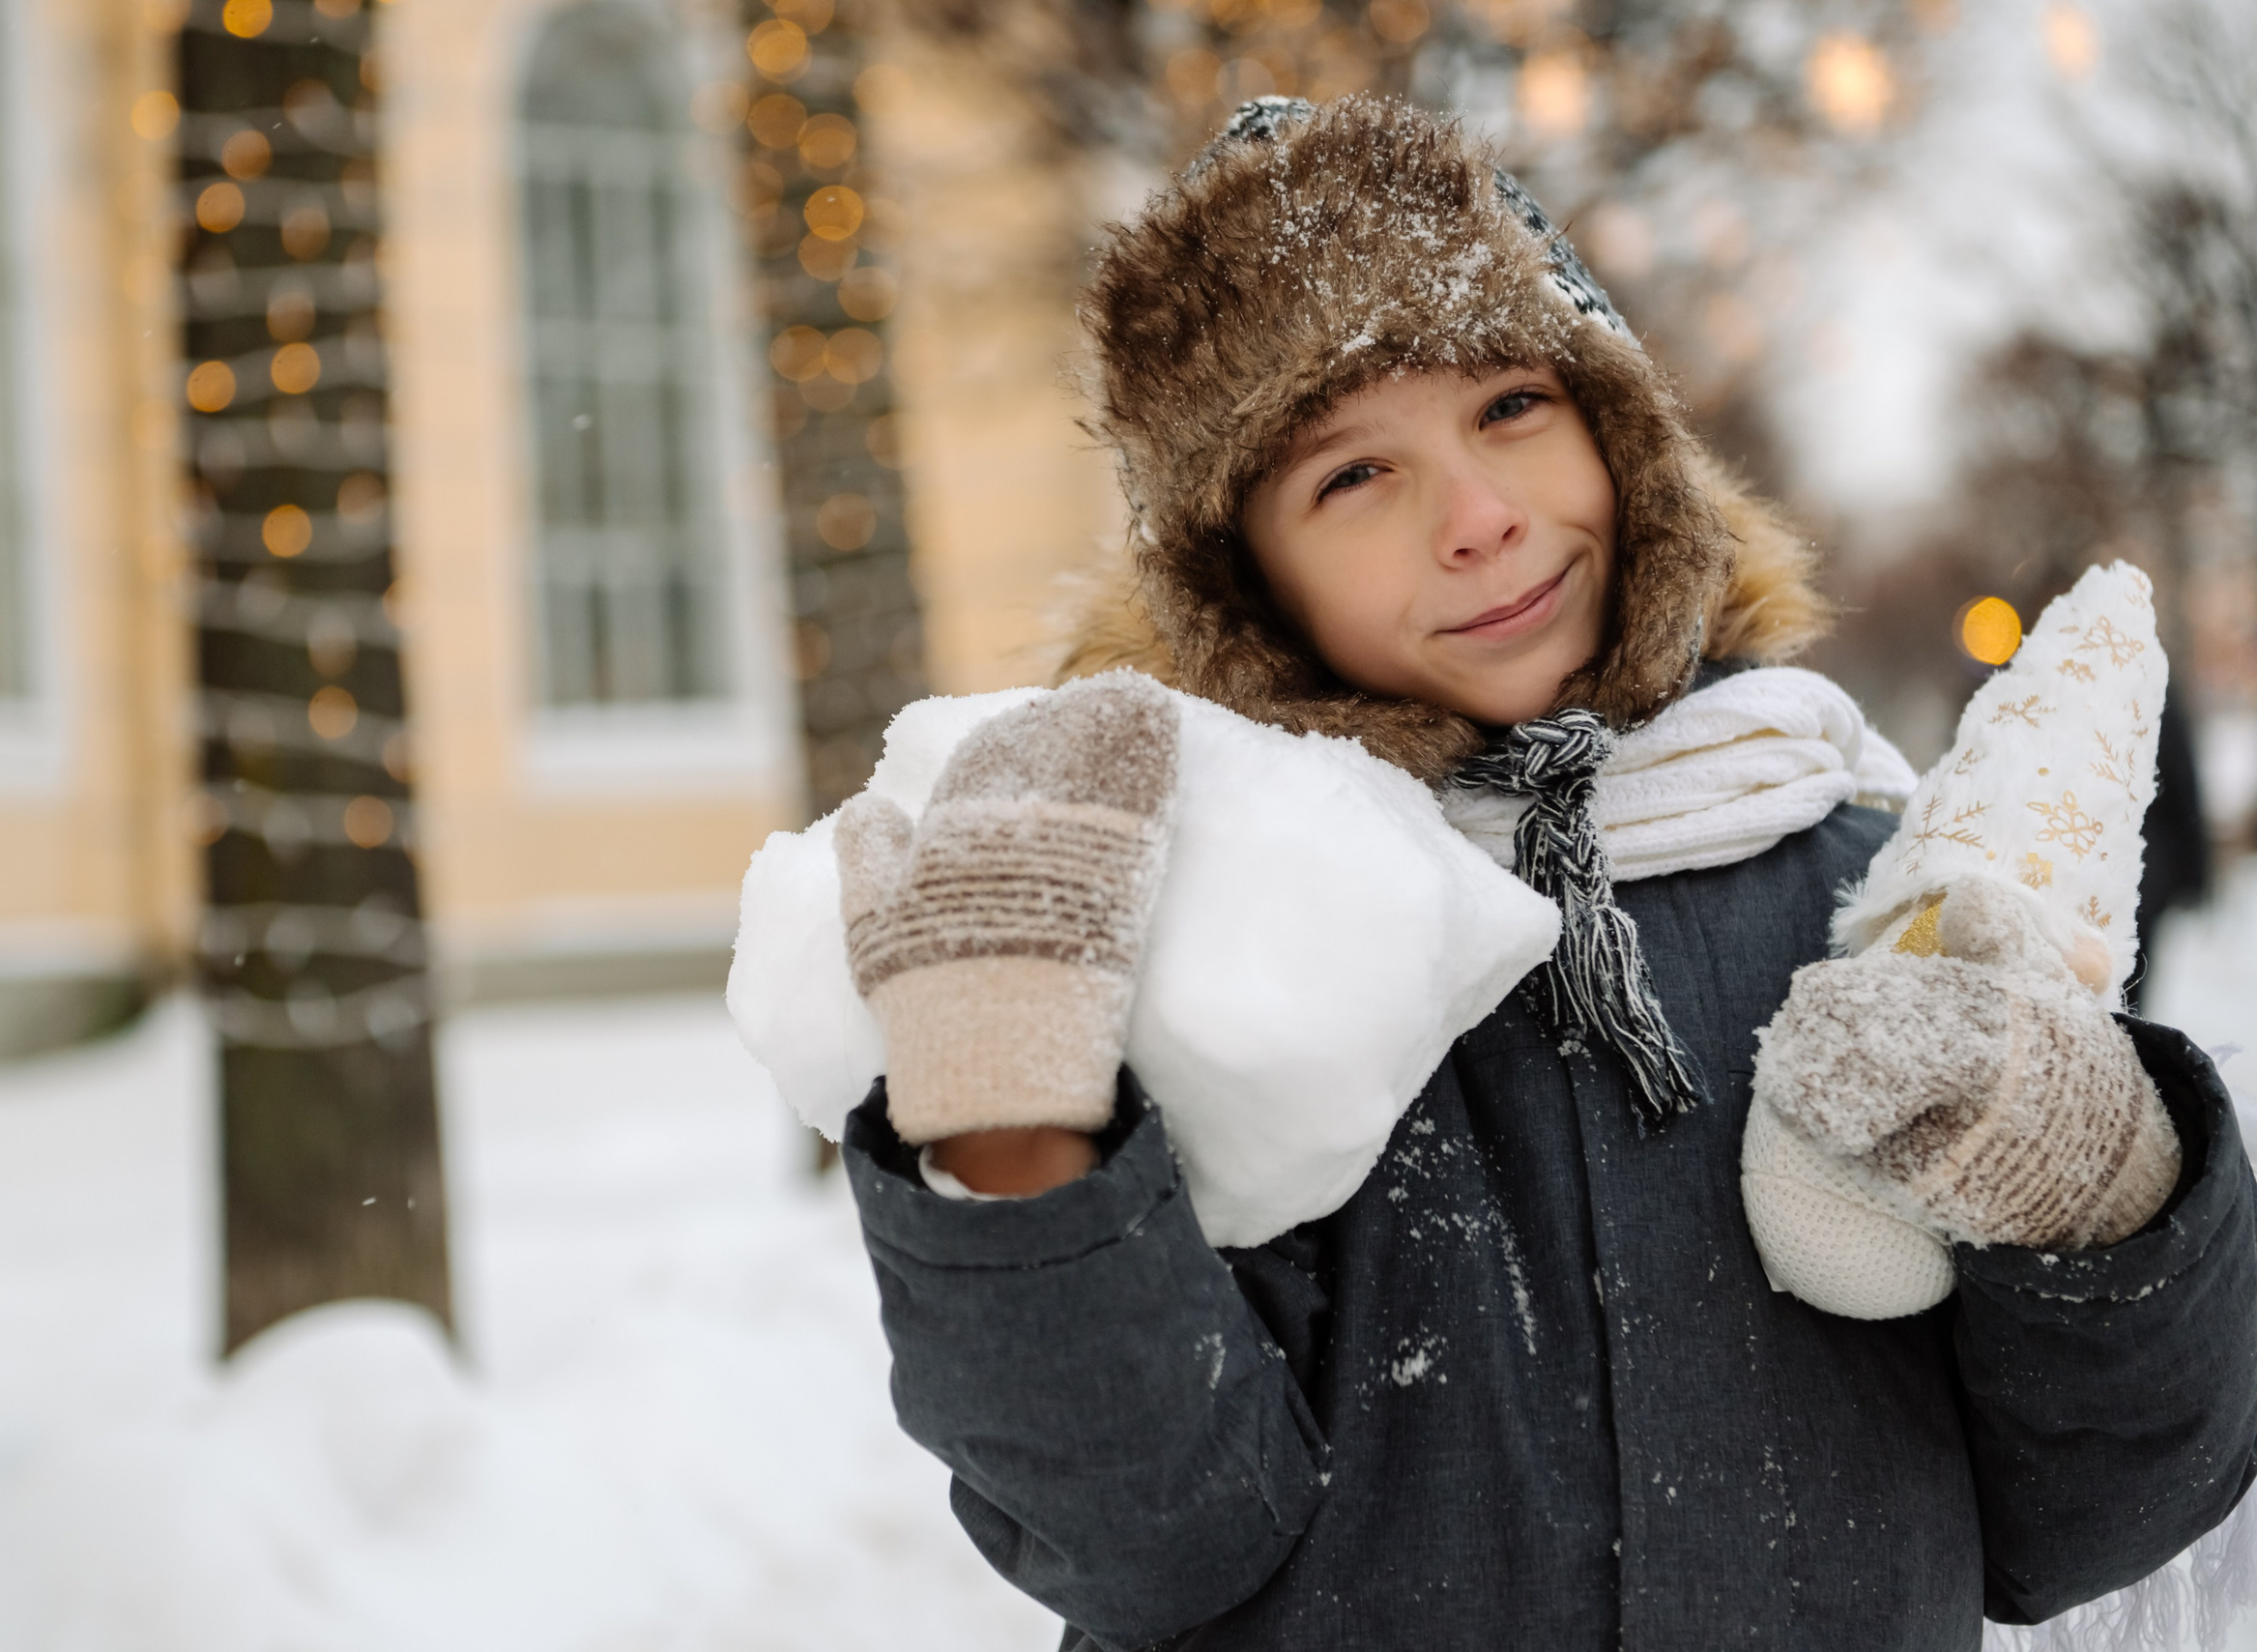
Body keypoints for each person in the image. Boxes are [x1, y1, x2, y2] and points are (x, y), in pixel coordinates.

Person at [833, 97, 2257, 1651]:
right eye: (1351, 477)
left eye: (1511, 403)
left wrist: (2100, 1188)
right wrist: (1017, 1131)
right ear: (1245, 582)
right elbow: (1147, 1540)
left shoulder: (1863, 880)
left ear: (1618, 424)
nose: (1481, 517)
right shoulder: (1229, 945)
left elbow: (2089, 1514)